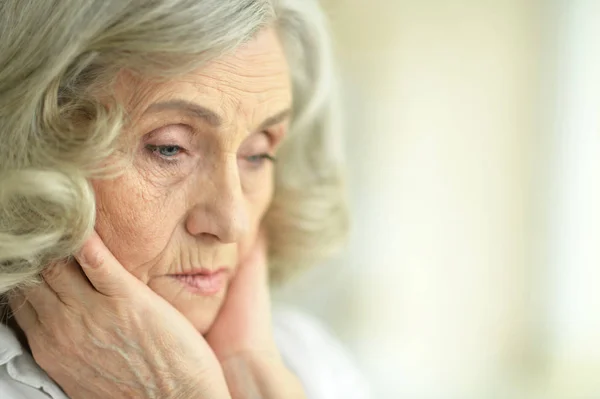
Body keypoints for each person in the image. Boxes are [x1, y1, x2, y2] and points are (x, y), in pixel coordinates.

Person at [0, 0, 370, 398]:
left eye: (257, 153)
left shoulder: (310, 362)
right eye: (169, 148)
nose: (233, 222)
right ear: (27, 143)